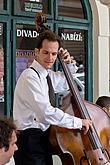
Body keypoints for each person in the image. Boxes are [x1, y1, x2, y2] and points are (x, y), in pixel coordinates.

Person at [13, 30, 93, 165]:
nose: (50, 57)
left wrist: (68, 64)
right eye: (46, 52)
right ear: (36, 52)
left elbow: (66, 82)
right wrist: (79, 122)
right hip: (29, 140)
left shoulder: (47, 75)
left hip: (42, 139)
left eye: (54, 54)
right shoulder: (30, 76)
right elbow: (45, 113)